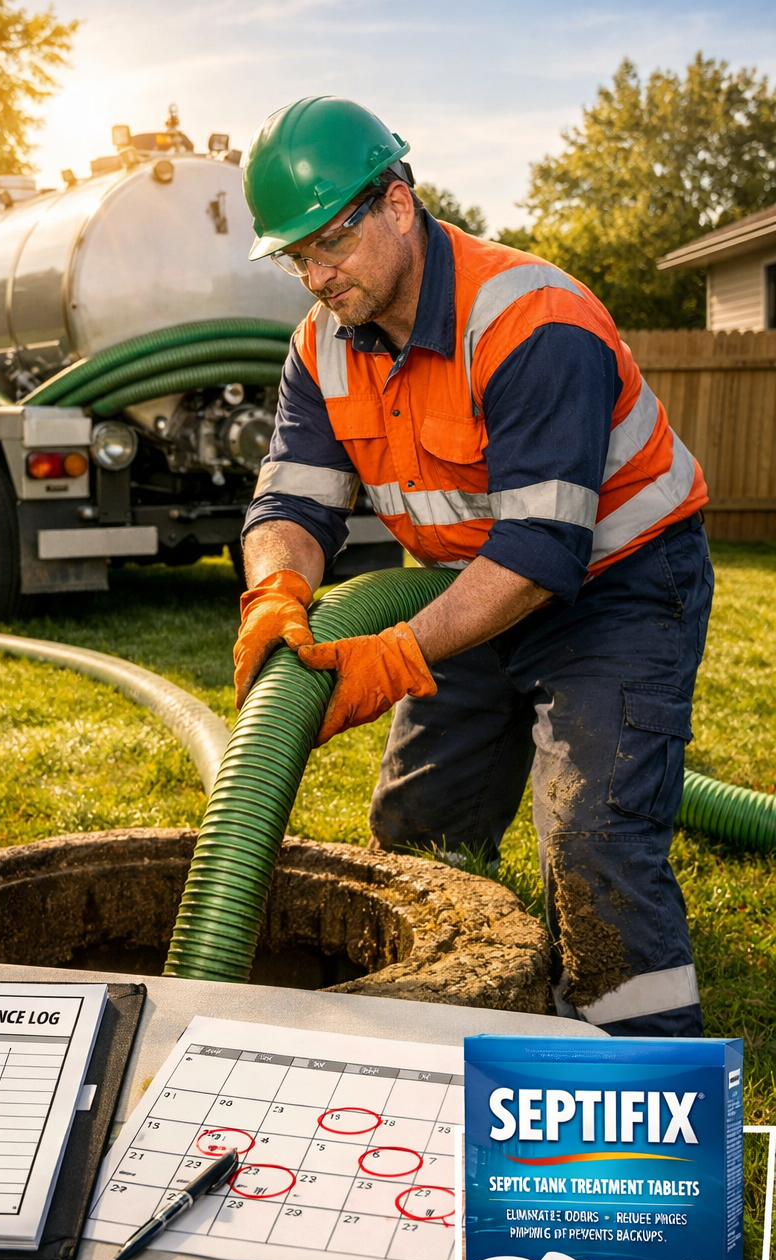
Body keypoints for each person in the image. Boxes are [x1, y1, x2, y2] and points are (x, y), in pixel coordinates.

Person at [234, 96, 713, 1039]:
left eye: (328, 243)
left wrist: (398, 657)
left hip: (618, 590)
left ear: (399, 206)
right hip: (469, 591)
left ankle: (638, 1067)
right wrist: (277, 586)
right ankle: (457, 1012)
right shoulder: (320, 343)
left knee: (592, 840)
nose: (316, 276)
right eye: (295, 257)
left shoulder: (532, 318)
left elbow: (540, 551)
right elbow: (290, 502)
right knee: (418, 836)